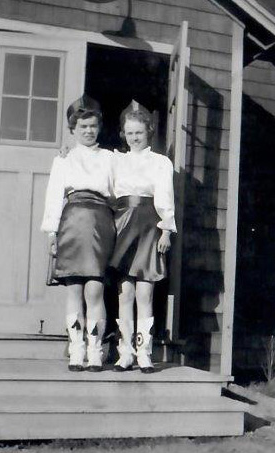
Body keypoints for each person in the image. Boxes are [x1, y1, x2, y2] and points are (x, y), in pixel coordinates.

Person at [41, 95, 115, 372]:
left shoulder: (110, 158)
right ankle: (76, 349)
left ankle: (95, 350)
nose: (88, 131)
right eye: (82, 126)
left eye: (93, 126)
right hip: (71, 223)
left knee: (95, 289)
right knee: (74, 290)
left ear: (99, 127)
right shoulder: (63, 159)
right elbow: (53, 197)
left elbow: (121, 190)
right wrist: (51, 233)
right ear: (73, 129)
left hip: (100, 224)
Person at [110, 100, 176, 373]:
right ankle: (124, 353)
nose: (134, 137)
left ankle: (144, 353)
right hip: (122, 224)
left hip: (150, 225)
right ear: (123, 134)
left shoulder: (160, 162)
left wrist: (166, 229)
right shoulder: (116, 160)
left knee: (144, 291)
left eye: (139, 132)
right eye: (129, 132)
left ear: (148, 131)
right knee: (124, 293)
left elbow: (164, 197)